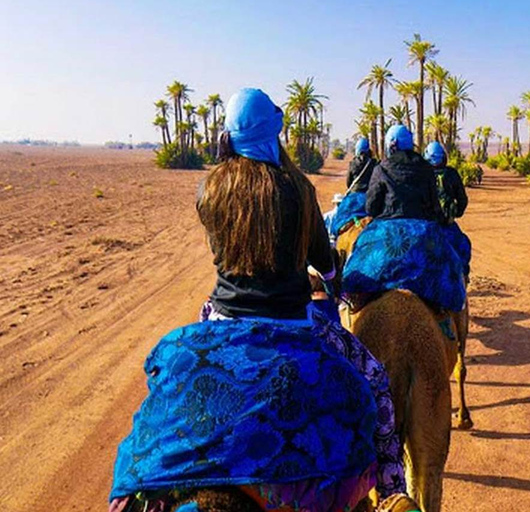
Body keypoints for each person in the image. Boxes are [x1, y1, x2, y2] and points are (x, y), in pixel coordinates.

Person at [109, 88, 405, 512]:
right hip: (297, 320)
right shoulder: (298, 189)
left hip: (222, 317)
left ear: (228, 135)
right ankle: (393, 488)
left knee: (171, 375)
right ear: (275, 132)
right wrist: (334, 279)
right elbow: (323, 261)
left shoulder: (209, 190)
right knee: (375, 380)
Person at [342, 125, 466, 313]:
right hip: (423, 231)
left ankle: (354, 302)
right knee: (451, 264)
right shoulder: (425, 168)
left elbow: (371, 207)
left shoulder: (382, 167)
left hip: (386, 229)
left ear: (390, 145)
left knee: (357, 256)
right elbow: (433, 206)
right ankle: (447, 311)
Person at [424, 141, 472, 276]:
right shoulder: (452, 174)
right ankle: (463, 277)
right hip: (447, 225)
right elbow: (462, 199)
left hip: (426, 226)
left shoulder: (421, 175)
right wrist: (455, 213)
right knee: (462, 247)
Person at [328, 139, 377, 238]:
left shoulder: (353, 164)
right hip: (369, 197)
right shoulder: (375, 163)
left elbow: (348, 183)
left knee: (338, 220)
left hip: (354, 197)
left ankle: (334, 236)